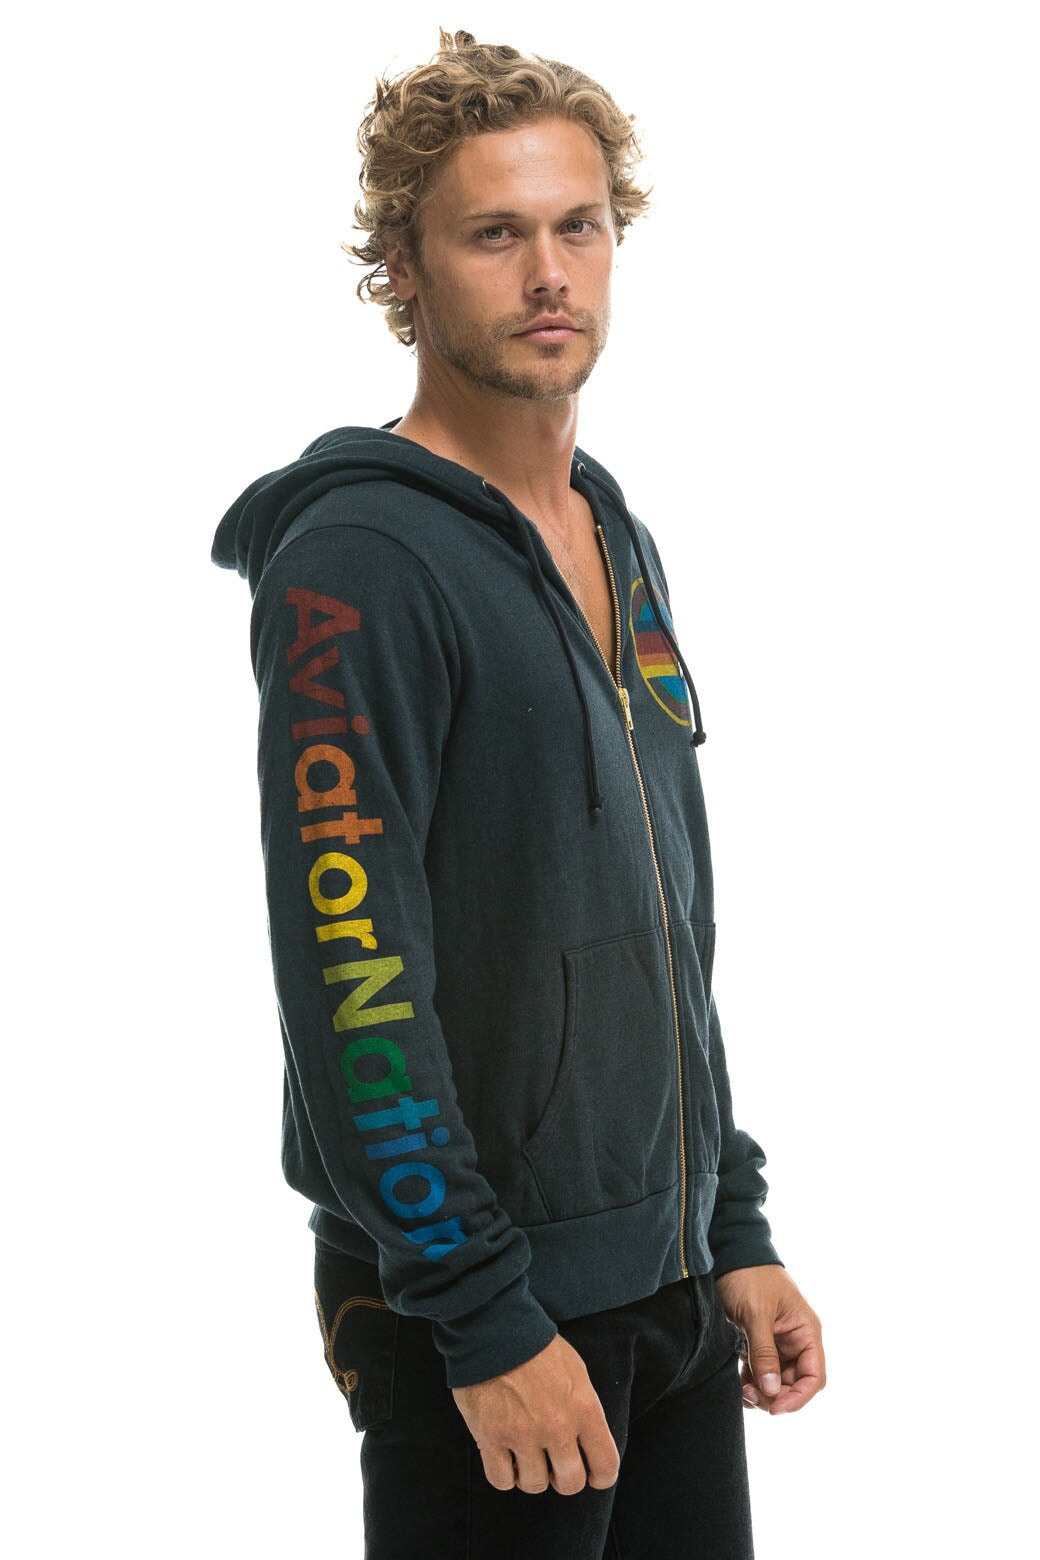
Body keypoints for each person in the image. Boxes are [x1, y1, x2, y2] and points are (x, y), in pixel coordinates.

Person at [212, 29, 824, 1559]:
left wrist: (728, 1224)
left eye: (579, 226)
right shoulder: (357, 569)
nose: (549, 273)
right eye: (494, 234)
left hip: (668, 1285)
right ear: (403, 271)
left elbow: (664, 912)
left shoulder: (608, 528)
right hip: (485, 1311)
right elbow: (349, 968)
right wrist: (482, 1312)